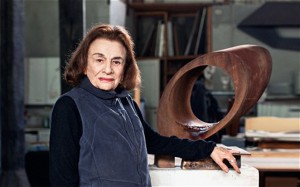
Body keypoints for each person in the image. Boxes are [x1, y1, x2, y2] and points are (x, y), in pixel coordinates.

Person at [49, 24, 240, 187]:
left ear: (124, 69)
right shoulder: (69, 106)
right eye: (99, 60)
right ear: (84, 64)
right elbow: (62, 180)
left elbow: (154, 142)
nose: (107, 69)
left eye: (116, 62)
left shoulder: (127, 103)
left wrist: (208, 149)